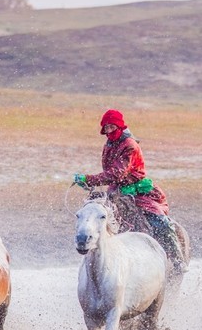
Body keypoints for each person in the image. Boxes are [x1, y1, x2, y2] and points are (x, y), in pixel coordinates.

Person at [73, 109, 187, 274]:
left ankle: (177, 259)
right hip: (116, 191)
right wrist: (89, 183)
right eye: (106, 128)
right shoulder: (109, 144)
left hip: (137, 191)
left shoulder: (130, 145)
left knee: (160, 221)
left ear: (119, 126)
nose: (109, 131)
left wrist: (88, 179)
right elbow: (111, 175)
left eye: (112, 127)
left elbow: (117, 173)